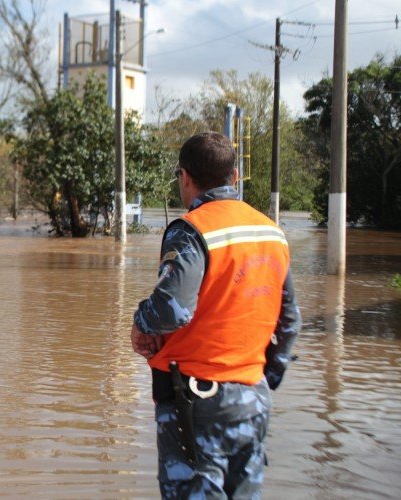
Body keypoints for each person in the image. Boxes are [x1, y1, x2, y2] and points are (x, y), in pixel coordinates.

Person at [130, 132, 301, 499]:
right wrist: (263, 379)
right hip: (253, 399)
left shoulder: (192, 230)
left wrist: (140, 322)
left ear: (185, 177)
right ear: (235, 176)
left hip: (196, 402)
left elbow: (172, 309)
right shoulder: (272, 233)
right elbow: (290, 322)